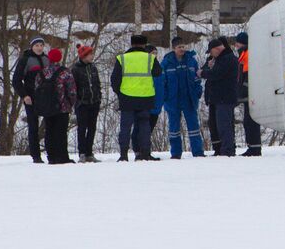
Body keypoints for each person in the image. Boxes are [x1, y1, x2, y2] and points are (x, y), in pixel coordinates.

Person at [110, 33, 162, 161]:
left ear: (131, 44)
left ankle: (123, 155)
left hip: (127, 97)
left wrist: (120, 93)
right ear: (144, 44)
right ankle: (144, 154)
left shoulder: (122, 58)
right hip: (146, 97)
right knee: (144, 126)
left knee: (125, 127)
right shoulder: (150, 58)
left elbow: (115, 79)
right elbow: (158, 72)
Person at [159, 36, 205, 158]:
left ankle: (198, 152)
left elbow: (197, 79)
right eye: (179, 47)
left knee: (193, 126)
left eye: (184, 46)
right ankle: (175, 153)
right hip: (172, 100)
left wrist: (197, 91)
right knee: (174, 128)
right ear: (173, 48)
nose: (182, 49)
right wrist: (165, 97)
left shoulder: (191, 61)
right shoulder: (166, 63)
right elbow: (162, 82)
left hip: (189, 99)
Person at [34, 48, 77, 164]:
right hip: (62, 107)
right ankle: (62, 157)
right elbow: (72, 91)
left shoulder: (42, 72)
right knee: (61, 133)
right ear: (60, 58)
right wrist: (70, 104)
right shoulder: (65, 72)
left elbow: (36, 89)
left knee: (49, 132)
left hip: (47, 107)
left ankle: (51, 156)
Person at [10, 36, 48, 164]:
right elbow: (16, 80)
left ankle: (52, 153)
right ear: (32, 47)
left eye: (41, 45)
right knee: (33, 127)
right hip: (31, 98)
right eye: (36, 45)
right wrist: (24, 95)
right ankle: (36, 156)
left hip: (46, 97)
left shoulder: (47, 59)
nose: (39, 48)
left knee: (50, 126)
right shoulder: (25, 60)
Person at [199, 37, 239, 157]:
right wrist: (207, 69)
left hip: (225, 97)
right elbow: (205, 68)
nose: (210, 55)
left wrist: (205, 72)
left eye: (211, 52)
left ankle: (227, 150)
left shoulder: (228, 59)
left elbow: (216, 74)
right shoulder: (215, 59)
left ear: (216, 49)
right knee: (215, 125)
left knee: (224, 125)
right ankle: (219, 149)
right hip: (215, 98)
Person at [232, 31, 262, 156]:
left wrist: (242, 90)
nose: (235, 46)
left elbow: (248, 77)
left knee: (251, 121)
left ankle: (254, 148)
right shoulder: (244, 54)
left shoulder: (247, 55)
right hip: (248, 93)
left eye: (237, 43)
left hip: (250, 94)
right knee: (249, 121)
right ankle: (253, 147)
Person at [71, 45, 102, 162]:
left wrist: (99, 97)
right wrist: (78, 101)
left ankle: (89, 152)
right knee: (82, 128)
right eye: (90, 54)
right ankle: (82, 152)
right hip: (82, 103)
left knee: (92, 128)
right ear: (84, 56)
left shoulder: (93, 68)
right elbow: (73, 87)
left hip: (94, 102)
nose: (92, 56)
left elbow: (97, 84)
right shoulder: (76, 69)